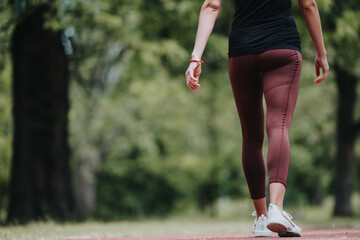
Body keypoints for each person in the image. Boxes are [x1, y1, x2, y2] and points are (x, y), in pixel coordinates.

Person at [185, 0, 329, 237]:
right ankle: (276, 209)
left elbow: (212, 5)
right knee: (278, 126)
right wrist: (321, 53)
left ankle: (262, 218)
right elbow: (309, 5)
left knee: (251, 137)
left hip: (242, 52)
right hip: (282, 48)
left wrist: (195, 58)